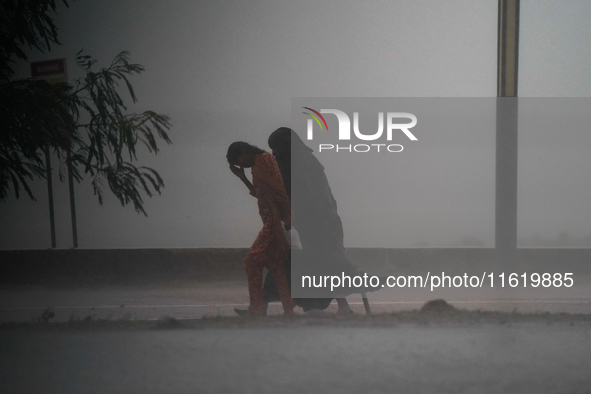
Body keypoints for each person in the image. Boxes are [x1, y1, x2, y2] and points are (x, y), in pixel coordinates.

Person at [226, 141, 297, 316]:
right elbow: (261, 194)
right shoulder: (258, 165)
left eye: (240, 161)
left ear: (243, 152)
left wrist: (286, 216)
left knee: (250, 262)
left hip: (274, 221)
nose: (242, 165)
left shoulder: (264, 161)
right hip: (270, 220)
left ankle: (256, 308)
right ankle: (288, 305)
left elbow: (278, 190)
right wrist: (242, 178)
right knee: (275, 265)